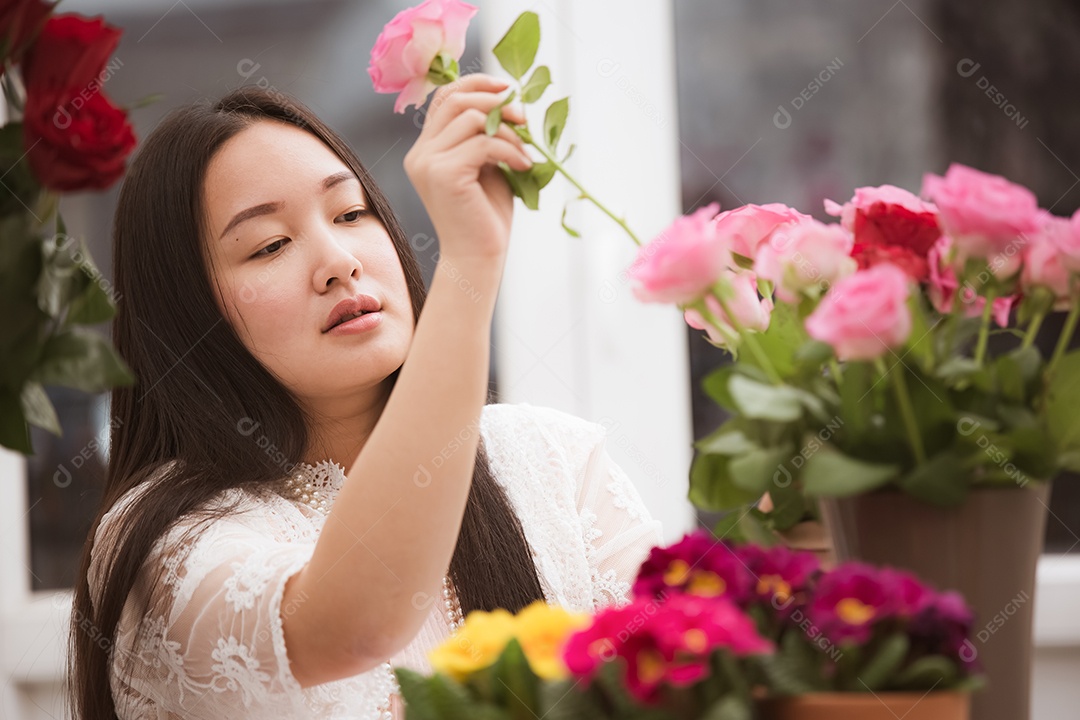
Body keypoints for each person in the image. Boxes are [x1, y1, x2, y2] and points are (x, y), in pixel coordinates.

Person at [69, 75, 663, 720]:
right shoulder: (165, 540)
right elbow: (353, 628)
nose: (339, 262)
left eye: (351, 214)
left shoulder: (552, 460)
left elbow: (684, 683)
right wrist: (469, 262)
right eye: (270, 245)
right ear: (187, 315)